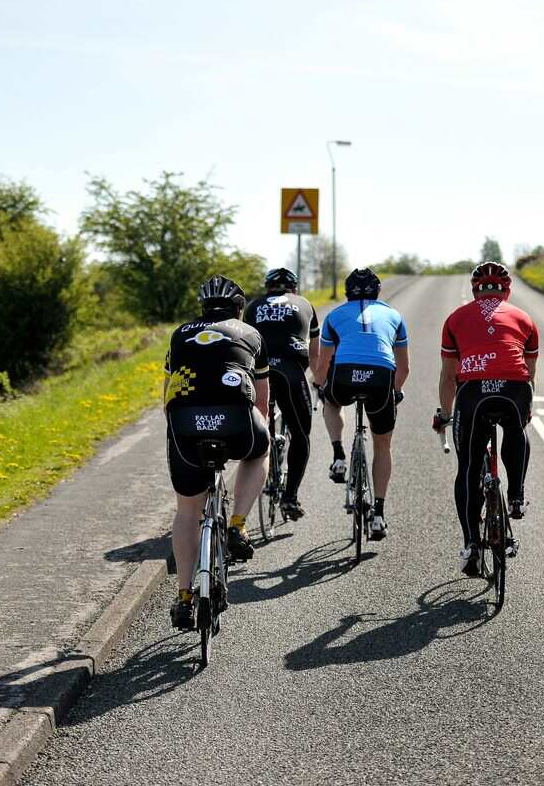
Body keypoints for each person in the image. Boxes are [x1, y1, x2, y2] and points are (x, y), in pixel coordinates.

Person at [164, 275, 271, 630]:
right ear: (240, 308)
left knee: (187, 508)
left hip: (184, 425)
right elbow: (263, 399)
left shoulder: (180, 333)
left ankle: (183, 597)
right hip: (235, 420)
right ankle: (238, 525)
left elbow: (166, 392)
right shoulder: (251, 333)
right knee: (260, 450)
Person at [434, 261, 539, 576]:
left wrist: (446, 413)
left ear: (474, 290)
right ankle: (517, 495)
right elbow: (530, 374)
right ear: (506, 290)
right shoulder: (524, 318)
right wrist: (525, 411)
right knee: (516, 429)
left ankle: (471, 545)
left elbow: (448, 376)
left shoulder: (455, 318)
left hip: (473, 394)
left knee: (467, 466)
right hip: (514, 390)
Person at [314, 268, 409, 541]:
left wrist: (320, 386)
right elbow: (404, 367)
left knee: (330, 402)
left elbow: (322, 365)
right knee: (383, 444)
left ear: (347, 293)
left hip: (345, 374)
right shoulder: (394, 315)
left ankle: (339, 455)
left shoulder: (334, 315)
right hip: (381, 377)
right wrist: (396, 391)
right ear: (378, 292)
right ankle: (378, 514)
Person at [241, 267, 320, 520]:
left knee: (257, 427)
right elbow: (315, 353)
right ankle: (290, 497)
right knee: (301, 435)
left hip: (257, 373)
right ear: (294, 289)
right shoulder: (304, 303)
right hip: (291, 372)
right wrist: (316, 380)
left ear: (267, 288)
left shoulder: (252, 306)